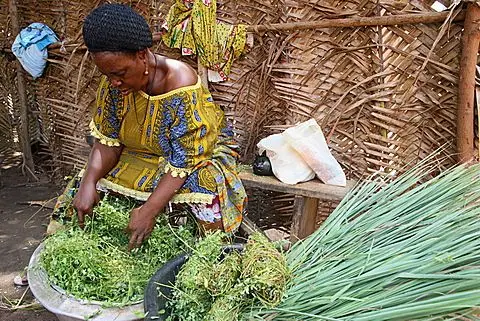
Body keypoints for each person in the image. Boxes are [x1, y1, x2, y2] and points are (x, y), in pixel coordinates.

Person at [48, 3, 247, 250]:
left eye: (120, 73)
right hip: (139, 152)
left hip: (195, 154)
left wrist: (149, 211)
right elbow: (108, 141)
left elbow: (185, 159)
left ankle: (211, 257)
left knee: (202, 181)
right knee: (83, 185)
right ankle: (60, 248)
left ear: (142, 55)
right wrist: (89, 183)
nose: (114, 82)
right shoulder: (113, 83)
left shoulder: (180, 84)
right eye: (107, 75)